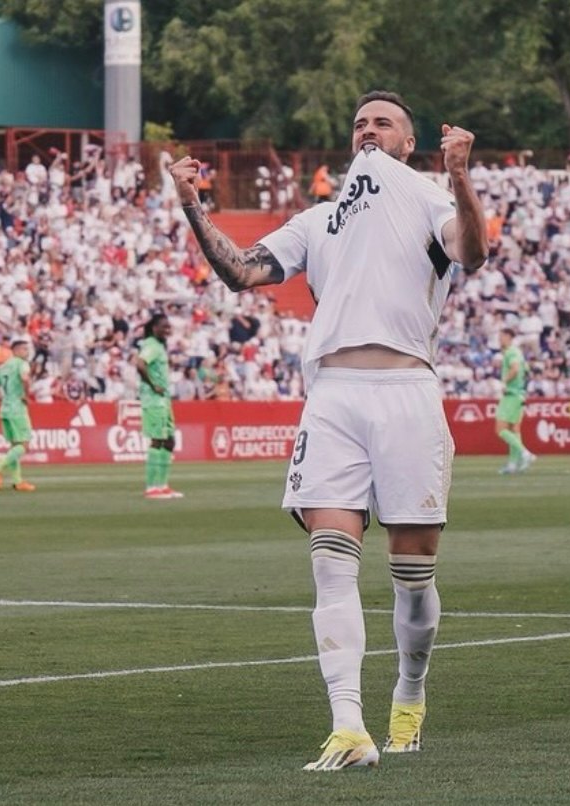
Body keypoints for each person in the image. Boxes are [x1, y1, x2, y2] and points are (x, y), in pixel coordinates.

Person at [169, 90, 487, 770]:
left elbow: (474, 254)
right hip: (333, 394)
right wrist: (192, 203)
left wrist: (459, 175)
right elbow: (241, 272)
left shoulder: (429, 198)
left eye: (384, 123)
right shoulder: (317, 220)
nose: (368, 131)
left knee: (411, 572)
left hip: (405, 390)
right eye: (359, 123)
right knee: (329, 565)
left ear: (407, 144)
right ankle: (349, 728)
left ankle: (409, 690)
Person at [135, 313, 183, 499]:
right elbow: (140, 364)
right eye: (164, 327)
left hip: (164, 400)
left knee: (169, 440)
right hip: (154, 400)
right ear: (154, 328)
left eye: (169, 327)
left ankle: (162, 485)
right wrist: (153, 384)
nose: (167, 330)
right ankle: (151, 487)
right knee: (157, 440)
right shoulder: (152, 345)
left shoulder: (159, 346)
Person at [0, 337, 36, 492]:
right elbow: (25, 379)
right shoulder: (21, 364)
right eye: (24, 349)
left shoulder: (0, 367)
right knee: (24, 445)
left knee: (15, 446)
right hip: (17, 409)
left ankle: (17, 481)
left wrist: (1, 398)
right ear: (14, 351)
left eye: (27, 349)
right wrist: (26, 395)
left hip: (5, 409)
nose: (26, 352)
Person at [495, 327, 536, 474]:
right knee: (514, 429)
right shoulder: (517, 353)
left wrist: (504, 382)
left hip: (511, 395)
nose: (499, 340)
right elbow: (526, 372)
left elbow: (515, 369)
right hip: (519, 395)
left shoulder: (512, 352)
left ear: (508, 336)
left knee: (501, 429)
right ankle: (513, 464)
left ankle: (525, 454)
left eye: (501, 336)